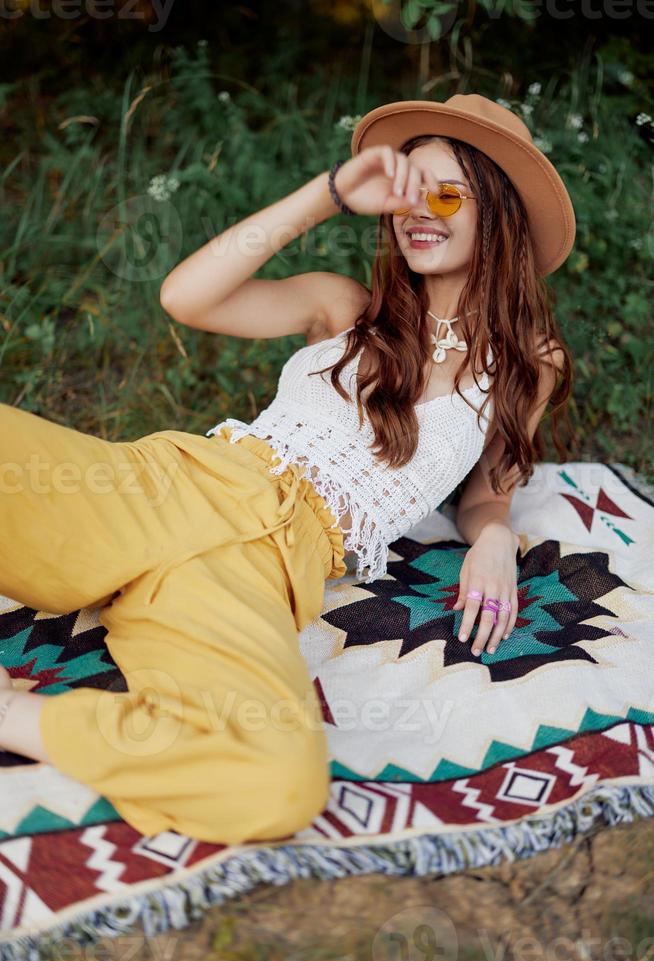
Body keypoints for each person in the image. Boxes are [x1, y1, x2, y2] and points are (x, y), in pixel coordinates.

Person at [0, 93, 576, 844]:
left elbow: (488, 492)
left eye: (446, 193)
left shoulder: (529, 366)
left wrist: (494, 535)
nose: (417, 212)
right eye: (408, 193)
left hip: (260, 575)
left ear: (498, 214)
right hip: (169, 488)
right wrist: (330, 193)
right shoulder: (345, 309)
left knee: (276, 783)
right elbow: (185, 297)